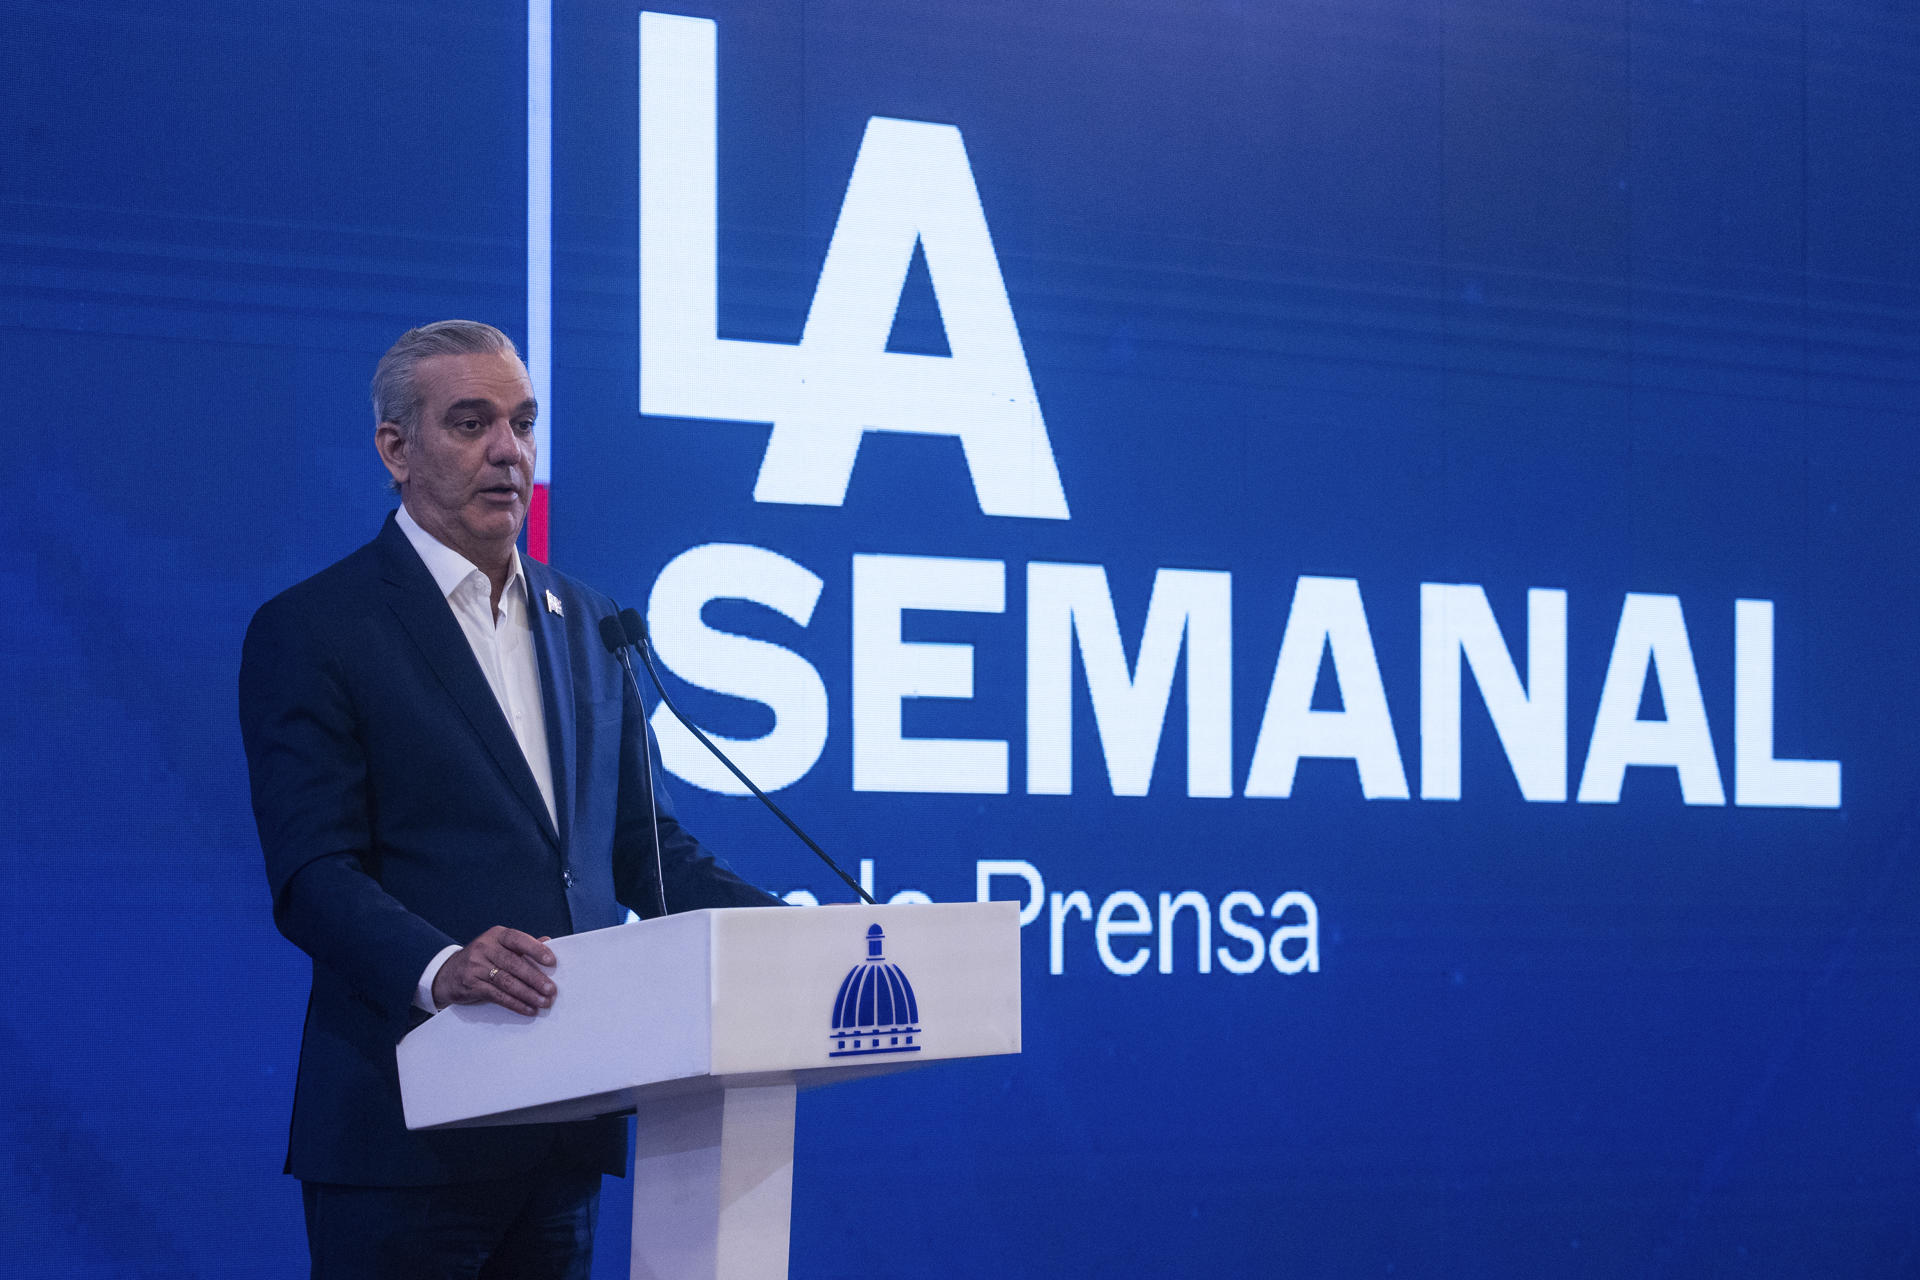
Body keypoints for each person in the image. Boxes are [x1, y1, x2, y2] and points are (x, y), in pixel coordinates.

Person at [238, 319, 780, 1278]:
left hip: (561, 1128)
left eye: (523, 424)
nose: (507, 451)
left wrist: (787, 935)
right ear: (395, 449)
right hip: (404, 1135)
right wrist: (442, 966)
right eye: (471, 422)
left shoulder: (590, 624)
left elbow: (643, 850)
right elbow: (313, 873)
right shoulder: (316, 628)